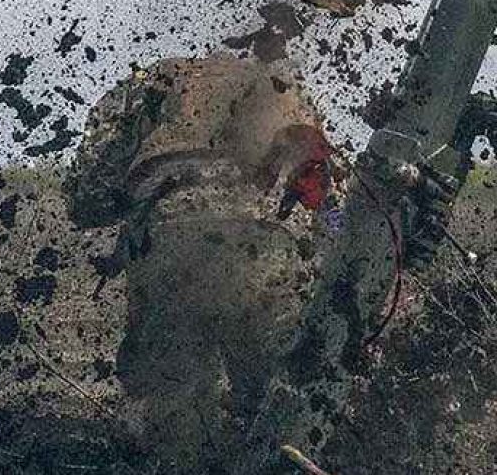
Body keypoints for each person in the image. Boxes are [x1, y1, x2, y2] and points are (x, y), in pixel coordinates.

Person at [65, 54, 340, 469]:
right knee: (284, 400)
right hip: (269, 252)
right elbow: (332, 206)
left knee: (169, 412)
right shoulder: (283, 86)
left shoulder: (151, 83)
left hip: (172, 243)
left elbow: (86, 195)